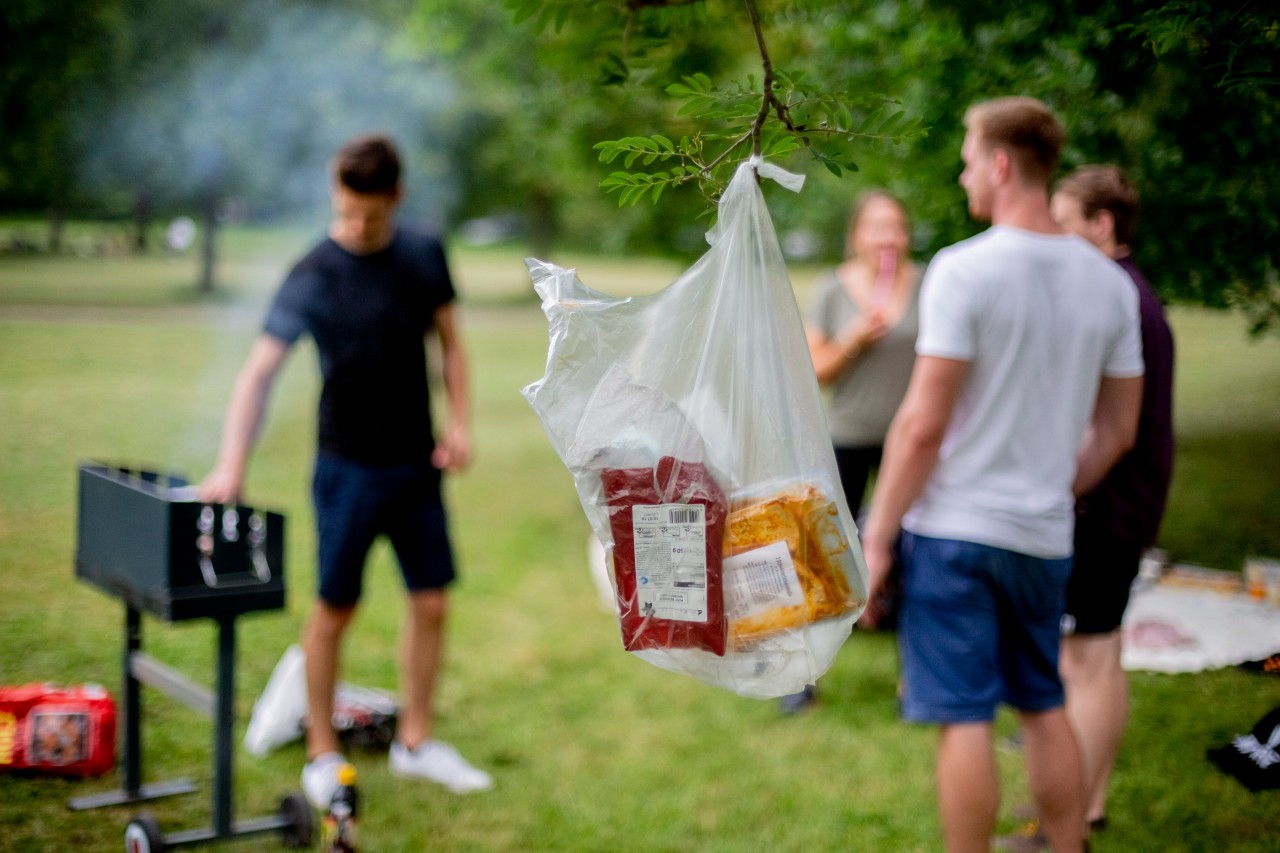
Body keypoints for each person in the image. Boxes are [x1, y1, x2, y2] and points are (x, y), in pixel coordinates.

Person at [859, 97, 1144, 853]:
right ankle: (1066, 841)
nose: (960, 174)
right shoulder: (1111, 284)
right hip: (1045, 534)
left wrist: (878, 535)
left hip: (954, 533)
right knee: (1044, 704)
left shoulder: (963, 270)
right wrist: (1054, 485)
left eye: (965, 157)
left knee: (965, 716)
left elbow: (922, 424)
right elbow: (1118, 430)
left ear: (1000, 162)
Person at [199, 133, 492, 807]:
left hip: (415, 462)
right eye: (348, 211)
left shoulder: (422, 254)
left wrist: (459, 423)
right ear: (337, 192)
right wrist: (231, 463)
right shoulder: (312, 273)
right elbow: (259, 373)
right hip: (346, 466)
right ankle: (322, 751)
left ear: (398, 196)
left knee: (433, 600)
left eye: (372, 215)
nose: (358, 227)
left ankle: (416, 742)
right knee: (336, 607)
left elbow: (450, 344)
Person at [1051, 165, 1175, 838]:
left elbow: (1108, 425)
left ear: (1101, 226)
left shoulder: (1117, 296)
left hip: (1108, 503)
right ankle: (1084, 795)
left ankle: (1075, 810)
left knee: (1086, 658)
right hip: (1124, 501)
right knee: (1102, 652)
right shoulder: (1128, 290)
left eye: (1065, 224)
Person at [780, 190, 920, 714]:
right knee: (822, 555)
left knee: (915, 556)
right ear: (856, 235)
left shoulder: (929, 285)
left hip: (912, 440)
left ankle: (917, 679)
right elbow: (816, 370)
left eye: (898, 227)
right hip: (845, 435)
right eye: (877, 227)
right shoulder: (834, 289)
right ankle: (805, 677)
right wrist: (855, 339)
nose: (889, 238)